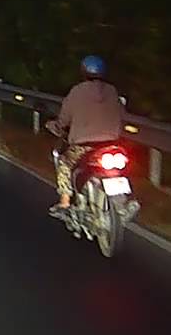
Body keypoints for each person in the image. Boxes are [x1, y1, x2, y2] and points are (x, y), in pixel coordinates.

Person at [46, 55, 123, 218]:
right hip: (112, 144)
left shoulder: (77, 91)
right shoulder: (112, 90)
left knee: (64, 163)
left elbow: (64, 118)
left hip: (85, 146)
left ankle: (65, 202)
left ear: (83, 72)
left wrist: (56, 126)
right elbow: (120, 112)